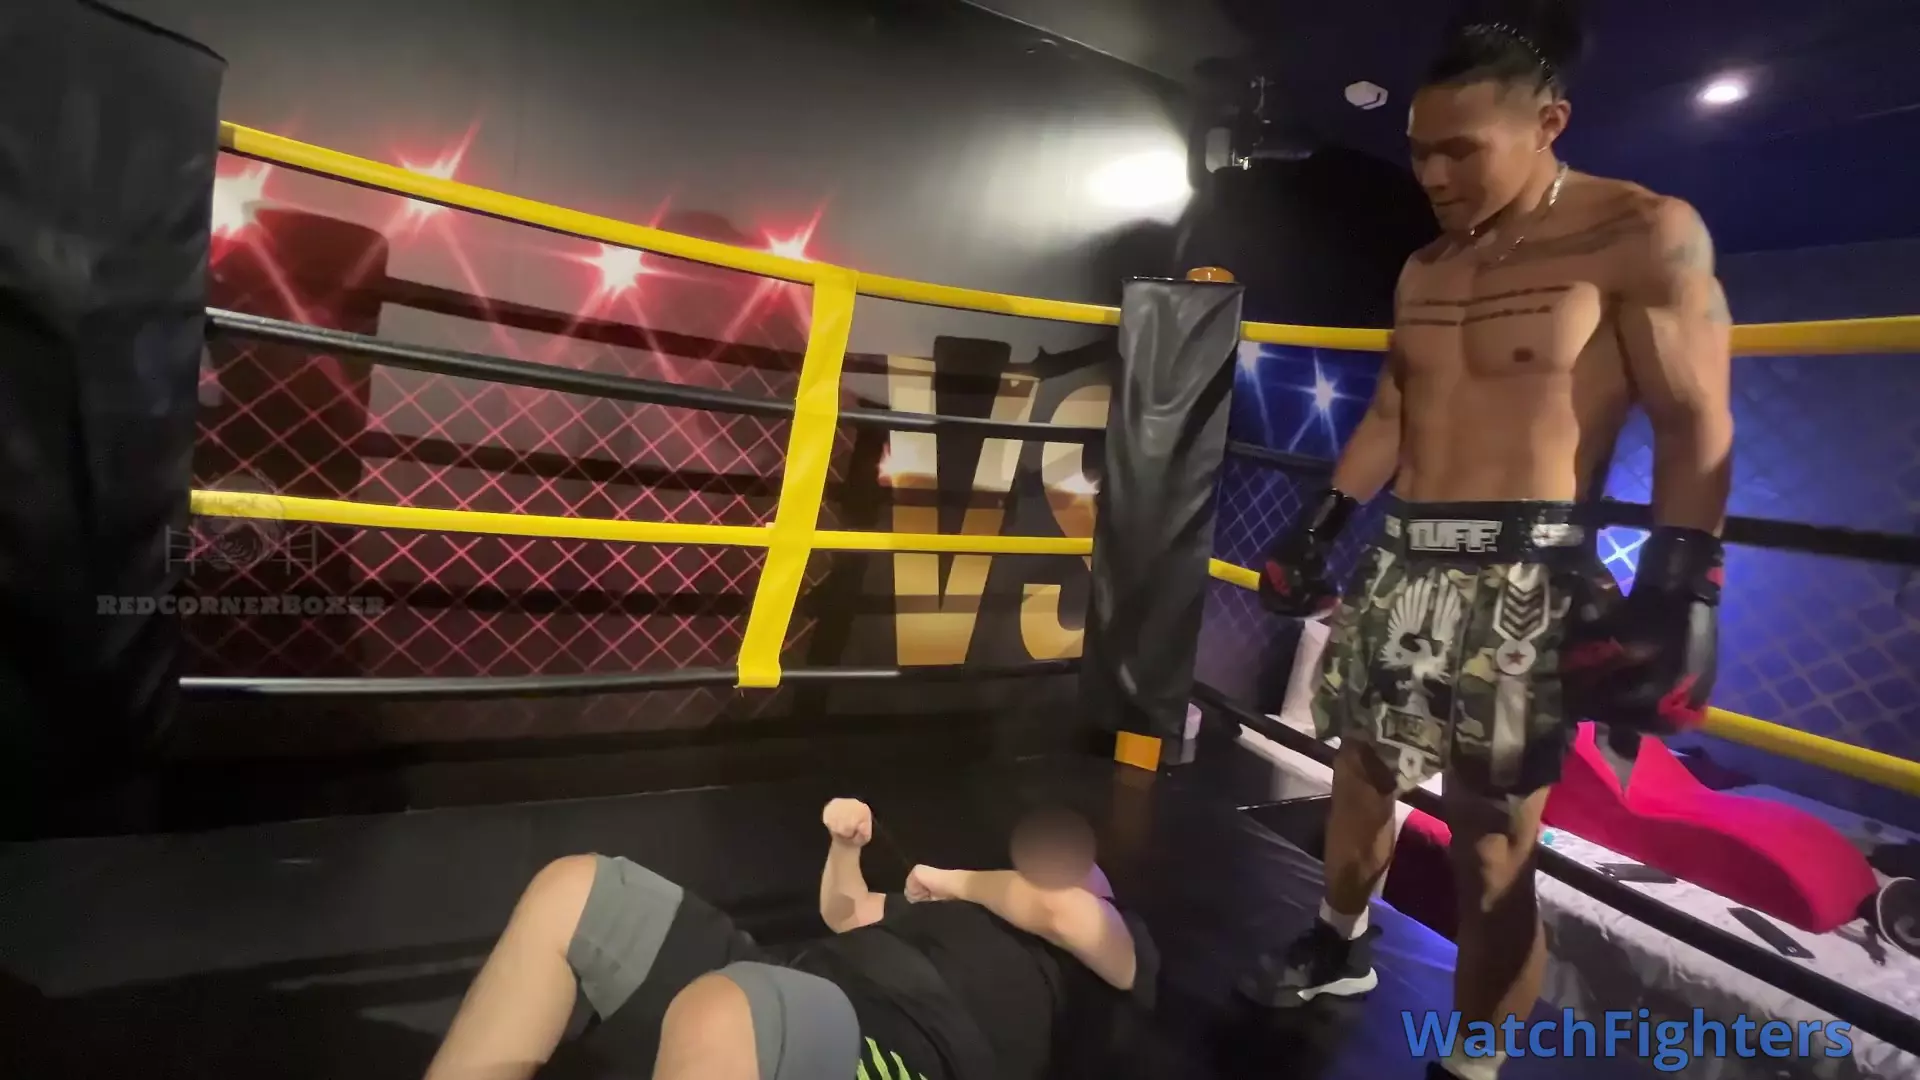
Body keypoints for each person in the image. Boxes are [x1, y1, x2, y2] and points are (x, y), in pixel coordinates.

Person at [1244, 1, 1733, 1078]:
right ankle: (1339, 942)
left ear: (1549, 122)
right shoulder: (1426, 266)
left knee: (1495, 841)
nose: (1432, 173)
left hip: (1528, 571)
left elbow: (1696, 421)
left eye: (1460, 149)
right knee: (1360, 772)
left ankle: (1473, 1059)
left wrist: (1684, 589)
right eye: (1420, 149)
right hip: (1403, 555)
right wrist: (1321, 523)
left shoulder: (1640, 232)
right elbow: (1393, 409)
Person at [422, 798, 1157, 1080]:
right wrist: (846, 847)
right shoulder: (956, 913)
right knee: (579, 891)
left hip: (897, 1050)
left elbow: (1064, 913)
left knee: (725, 1011)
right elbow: (846, 912)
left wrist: (954, 879)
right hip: (795, 983)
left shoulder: (1122, 955)